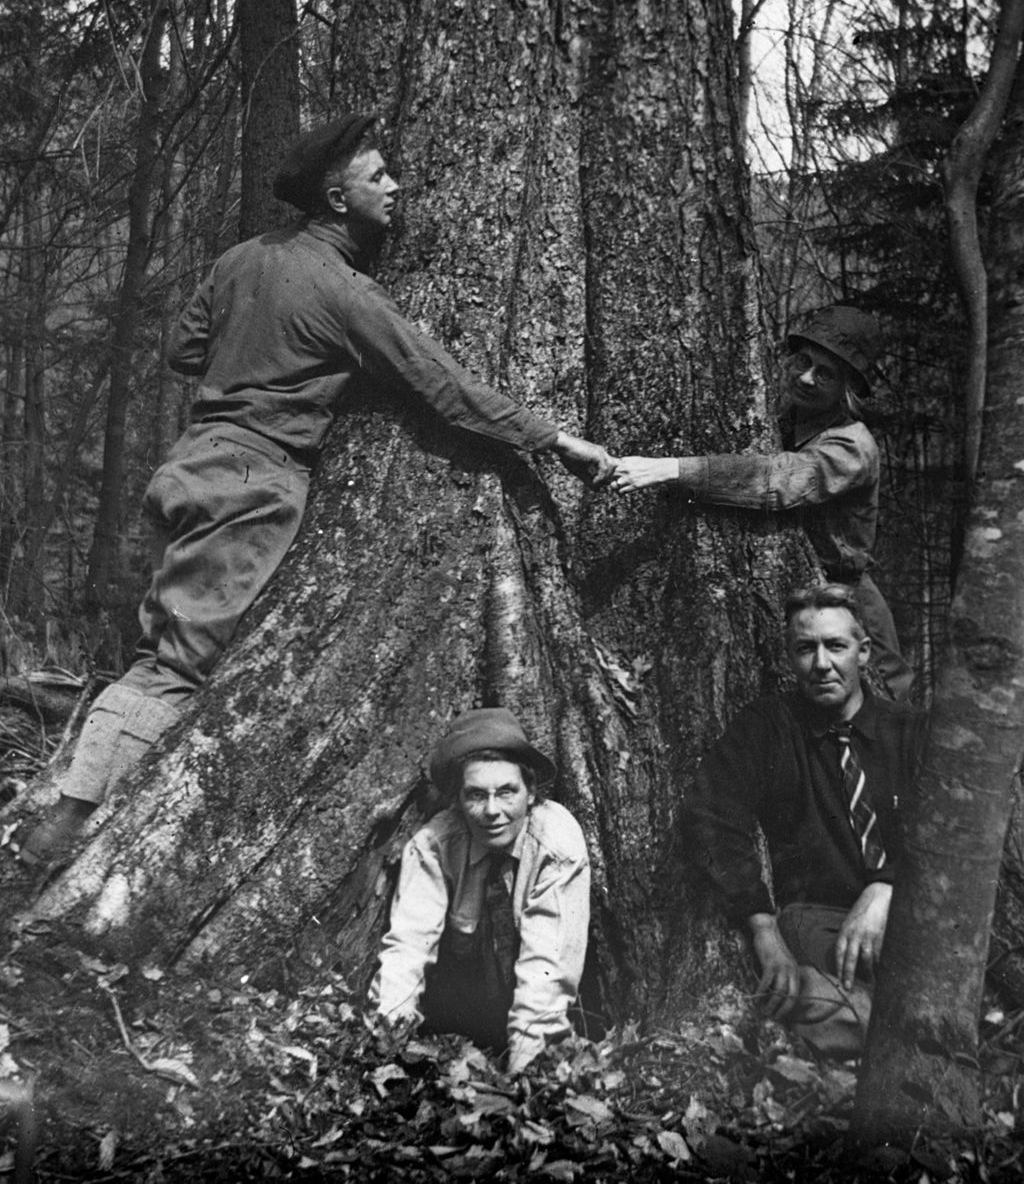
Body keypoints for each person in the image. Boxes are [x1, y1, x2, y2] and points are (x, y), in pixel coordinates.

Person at [20, 116, 613, 867]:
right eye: (377, 178)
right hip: (251, 486)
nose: (395, 187)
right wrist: (554, 440)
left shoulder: (242, 257)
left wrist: (266, 348)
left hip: (191, 466)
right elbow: (445, 386)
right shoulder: (344, 292)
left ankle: (73, 823)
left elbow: (183, 350)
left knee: (161, 644)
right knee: (179, 666)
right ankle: (72, 831)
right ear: (337, 198)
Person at [610, 304, 913, 700]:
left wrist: (672, 469)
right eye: (804, 361)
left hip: (847, 591)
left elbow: (779, 481)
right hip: (797, 587)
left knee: (887, 700)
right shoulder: (784, 415)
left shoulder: (852, 445)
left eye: (825, 373)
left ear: (847, 389)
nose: (806, 378)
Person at [684, 584, 926, 1058]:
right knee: (824, 993)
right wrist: (761, 925)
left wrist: (886, 886)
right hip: (814, 922)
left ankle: (865, 1023)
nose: (820, 664)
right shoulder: (770, 726)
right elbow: (708, 812)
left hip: (907, 915)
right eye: (805, 649)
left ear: (864, 651)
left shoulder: (910, 731)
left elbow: (946, 831)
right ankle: (879, 1028)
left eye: (835, 646)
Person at [368, 707, 590, 1073]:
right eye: (475, 795)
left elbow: (546, 974)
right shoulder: (434, 846)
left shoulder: (556, 845)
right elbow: (406, 948)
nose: (491, 811)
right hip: (461, 1025)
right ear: (457, 798)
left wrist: (526, 1079)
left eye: (506, 792)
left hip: (537, 1021)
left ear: (531, 792)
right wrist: (385, 1046)